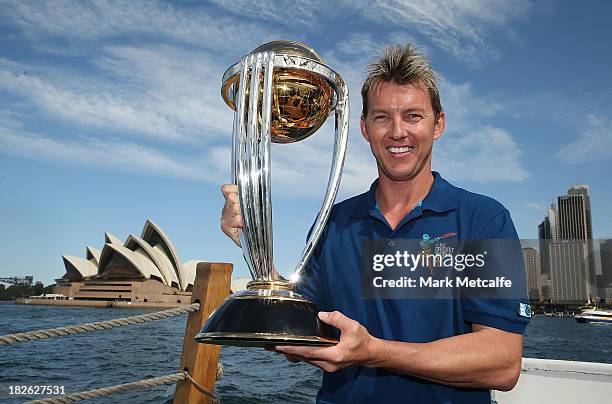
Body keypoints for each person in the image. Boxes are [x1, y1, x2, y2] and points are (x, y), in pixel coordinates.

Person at [220, 44, 530, 403]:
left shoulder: (482, 219)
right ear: (365, 128)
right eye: (382, 118)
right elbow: (297, 334)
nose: (398, 132)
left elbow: (502, 363)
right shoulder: (334, 223)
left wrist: (374, 350)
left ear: (439, 124)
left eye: (413, 116)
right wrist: (251, 236)